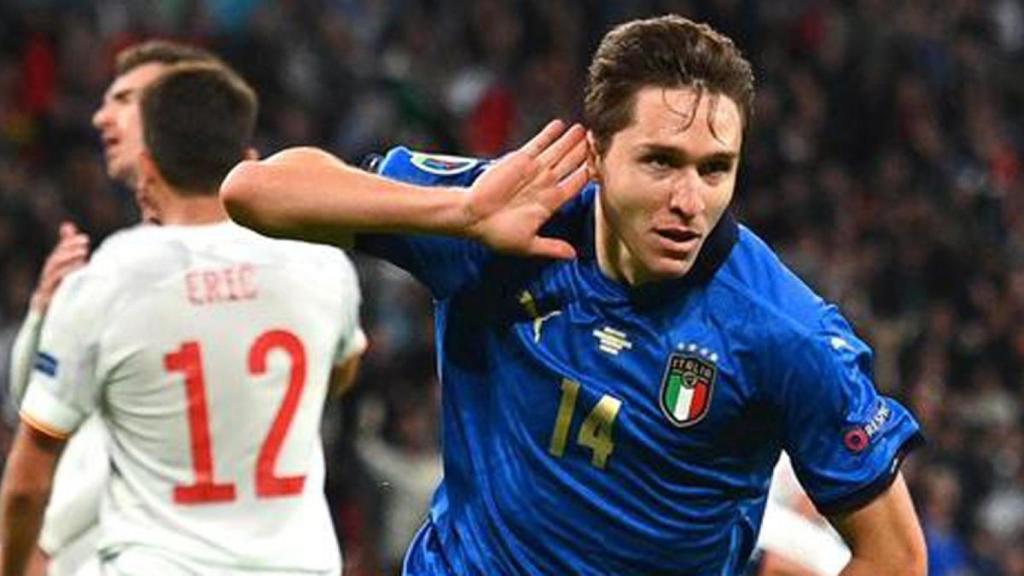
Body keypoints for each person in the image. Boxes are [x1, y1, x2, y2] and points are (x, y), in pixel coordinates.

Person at [221, 14, 927, 575]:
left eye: (716, 170)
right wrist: (457, 215)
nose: (689, 200)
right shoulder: (500, 217)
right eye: (660, 161)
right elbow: (253, 193)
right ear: (595, 155)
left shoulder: (785, 333)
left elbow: (895, 556)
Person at [1, 62, 365, 576]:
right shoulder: (323, 264)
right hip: (298, 564)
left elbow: (27, 481)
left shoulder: (111, 278)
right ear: (248, 161)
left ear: (148, 168)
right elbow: (341, 371)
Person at [5, 40, 223, 576]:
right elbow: (38, 404)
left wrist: (40, 540)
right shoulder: (121, 259)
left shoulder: (217, 260)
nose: (103, 115)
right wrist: (44, 315)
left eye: (126, 99)